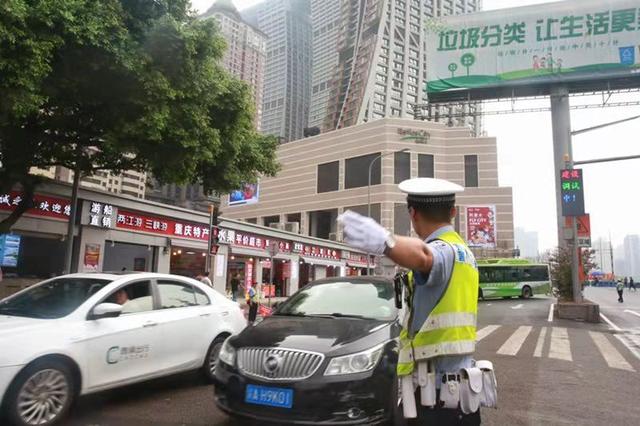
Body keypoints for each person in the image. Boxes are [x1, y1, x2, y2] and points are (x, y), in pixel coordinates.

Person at [338, 177, 487, 425]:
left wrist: (384, 241)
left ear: (413, 213)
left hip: (438, 398)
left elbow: (425, 256)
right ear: (453, 212)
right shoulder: (465, 253)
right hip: (459, 392)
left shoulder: (445, 250)